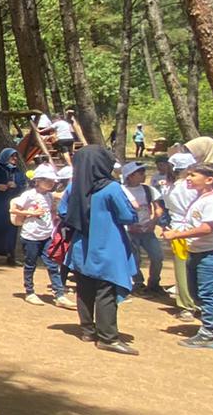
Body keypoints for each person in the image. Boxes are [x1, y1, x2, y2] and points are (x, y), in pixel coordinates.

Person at [63, 146, 139, 355]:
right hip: (106, 246)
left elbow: (63, 211)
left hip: (80, 246)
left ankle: (88, 330)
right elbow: (127, 215)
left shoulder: (74, 187)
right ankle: (108, 337)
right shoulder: (111, 188)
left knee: (84, 288)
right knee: (106, 291)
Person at [158, 163, 213, 349]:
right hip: (197, 252)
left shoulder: (212, 201)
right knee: (197, 294)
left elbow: (207, 228)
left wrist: (176, 234)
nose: (188, 178)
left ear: (209, 180)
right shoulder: (201, 199)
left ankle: (209, 332)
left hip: (211, 254)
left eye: (193, 175)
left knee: (207, 294)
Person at [11, 163, 70, 307]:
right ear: (37, 180)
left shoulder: (50, 196)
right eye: (47, 180)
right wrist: (31, 213)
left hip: (46, 236)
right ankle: (29, 292)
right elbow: (13, 210)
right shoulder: (28, 195)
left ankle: (59, 294)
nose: (51, 183)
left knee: (52, 264)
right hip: (31, 236)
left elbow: (51, 210)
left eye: (52, 181)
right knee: (30, 264)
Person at [162, 152, 201, 319]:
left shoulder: (168, 186)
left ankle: (187, 303)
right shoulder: (189, 187)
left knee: (182, 269)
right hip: (190, 229)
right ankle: (189, 304)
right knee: (189, 268)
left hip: (177, 229)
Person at [121, 162, 163, 295]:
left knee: (157, 256)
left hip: (147, 230)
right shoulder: (121, 190)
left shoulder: (148, 190)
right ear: (130, 176)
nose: (144, 175)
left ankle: (154, 283)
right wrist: (129, 225)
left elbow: (158, 209)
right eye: (140, 173)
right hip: (129, 231)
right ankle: (138, 282)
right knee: (135, 258)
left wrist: (153, 222)